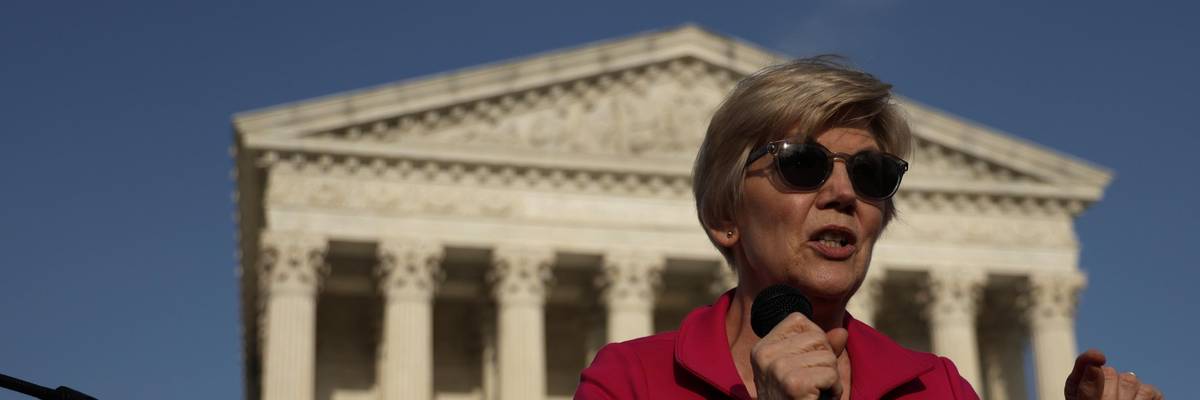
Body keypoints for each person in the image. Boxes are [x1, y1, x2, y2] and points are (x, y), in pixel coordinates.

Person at [575, 57, 1163, 400]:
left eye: (871, 173)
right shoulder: (633, 381)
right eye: (800, 165)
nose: (842, 193)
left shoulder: (935, 389)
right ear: (724, 217)